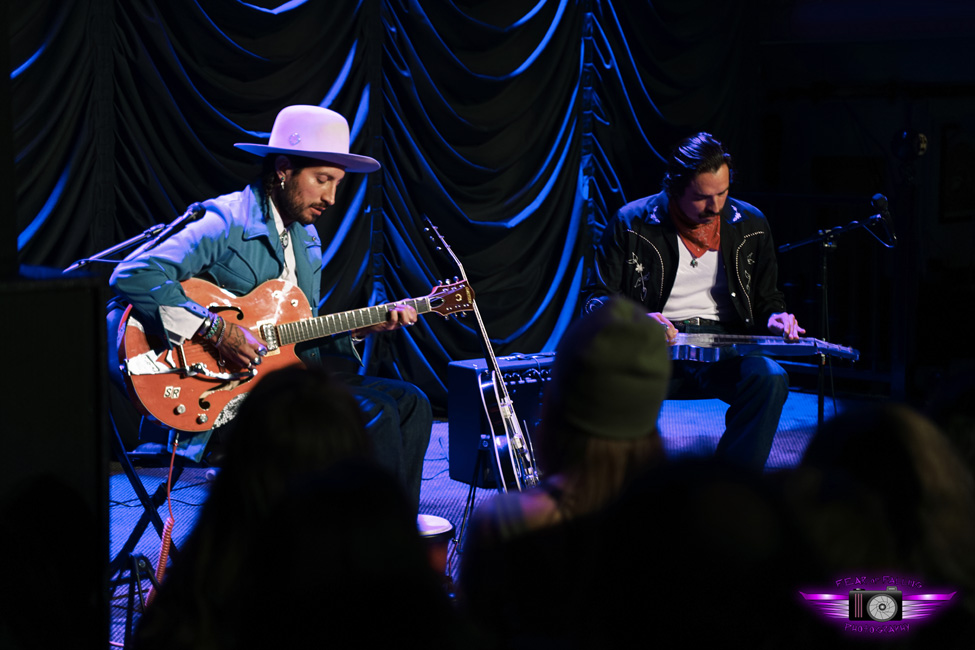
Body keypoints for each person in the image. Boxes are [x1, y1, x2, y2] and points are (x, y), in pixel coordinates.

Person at [109, 105, 431, 506]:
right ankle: (367, 544)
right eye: (322, 180)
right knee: (375, 411)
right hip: (226, 393)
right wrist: (216, 330)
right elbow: (133, 273)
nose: (331, 197)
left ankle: (393, 532)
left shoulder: (308, 240)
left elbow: (297, 338)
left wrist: (363, 327)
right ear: (283, 169)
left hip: (285, 383)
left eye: (338, 183)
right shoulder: (227, 220)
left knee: (410, 402)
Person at [583, 132, 803, 471]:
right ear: (674, 188)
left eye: (723, 193)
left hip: (722, 345)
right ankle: (624, 493)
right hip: (655, 345)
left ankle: (729, 486)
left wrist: (775, 317)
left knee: (770, 377)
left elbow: (768, 299)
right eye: (702, 198)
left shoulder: (751, 224)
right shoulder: (631, 222)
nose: (716, 207)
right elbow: (596, 299)